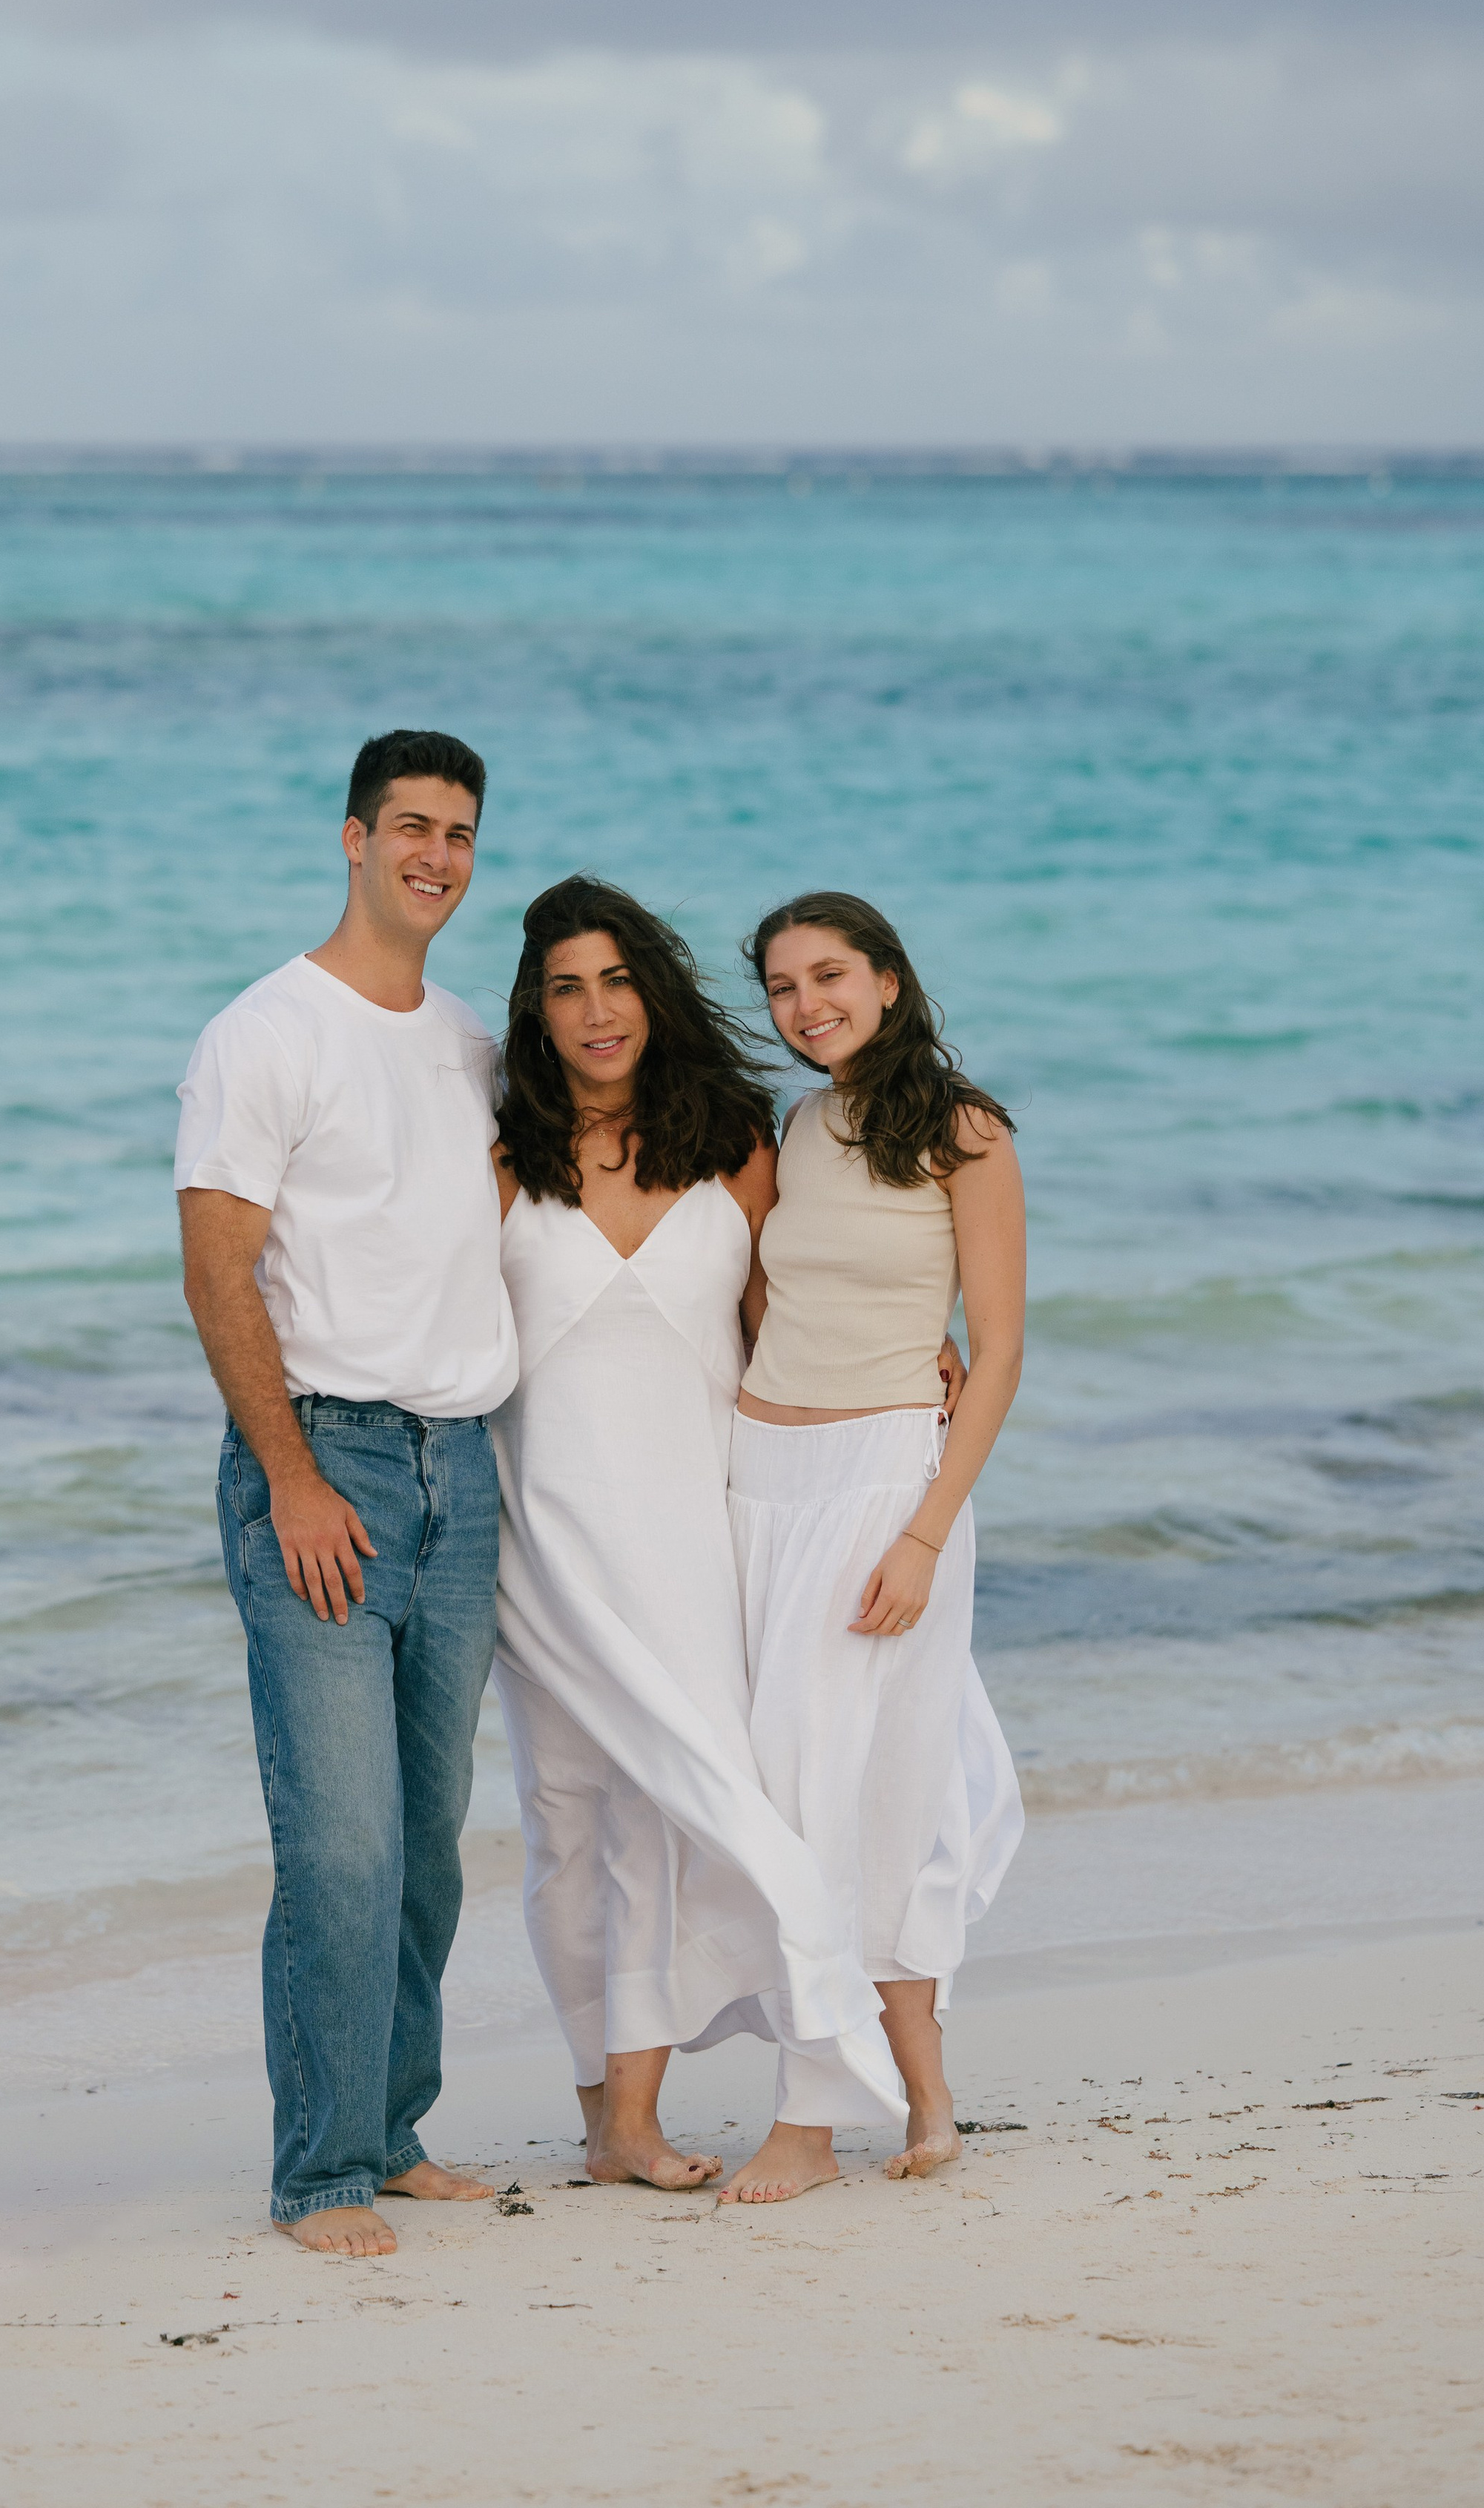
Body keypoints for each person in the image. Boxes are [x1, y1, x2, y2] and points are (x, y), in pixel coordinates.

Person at [489, 876, 914, 2192]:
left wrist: (926, 1357)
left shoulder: (735, 1141)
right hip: (543, 1537)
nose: (597, 1010)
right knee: (565, 1818)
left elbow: (801, 1317)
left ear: (656, 992)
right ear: (537, 1011)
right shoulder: (500, 1154)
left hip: (700, 1533)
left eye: (618, 980)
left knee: (676, 1812)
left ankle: (665, 2103)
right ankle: (605, 2114)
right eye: (567, 988)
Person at [175, 728, 517, 2257]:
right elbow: (217, 1269)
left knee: (426, 1845)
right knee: (341, 1845)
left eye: (460, 833)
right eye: (411, 827)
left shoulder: (468, 1040)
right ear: (353, 838)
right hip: (326, 1463)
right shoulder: (264, 1031)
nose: (436, 856)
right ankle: (319, 2171)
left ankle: (390, 2129)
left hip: (463, 1467)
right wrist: (293, 1477)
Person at [719, 892, 1025, 2205]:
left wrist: (922, 1531)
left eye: (830, 975)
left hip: (883, 1487)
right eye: (784, 986)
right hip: (763, 1476)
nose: (807, 1005)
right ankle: (927, 2096)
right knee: (824, 1788)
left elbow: (998, 1351)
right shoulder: (797, 1125)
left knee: (849, 1796)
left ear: (889, 979)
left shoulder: (967, 1131)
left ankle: (810, 2121)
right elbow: (764, 1292)